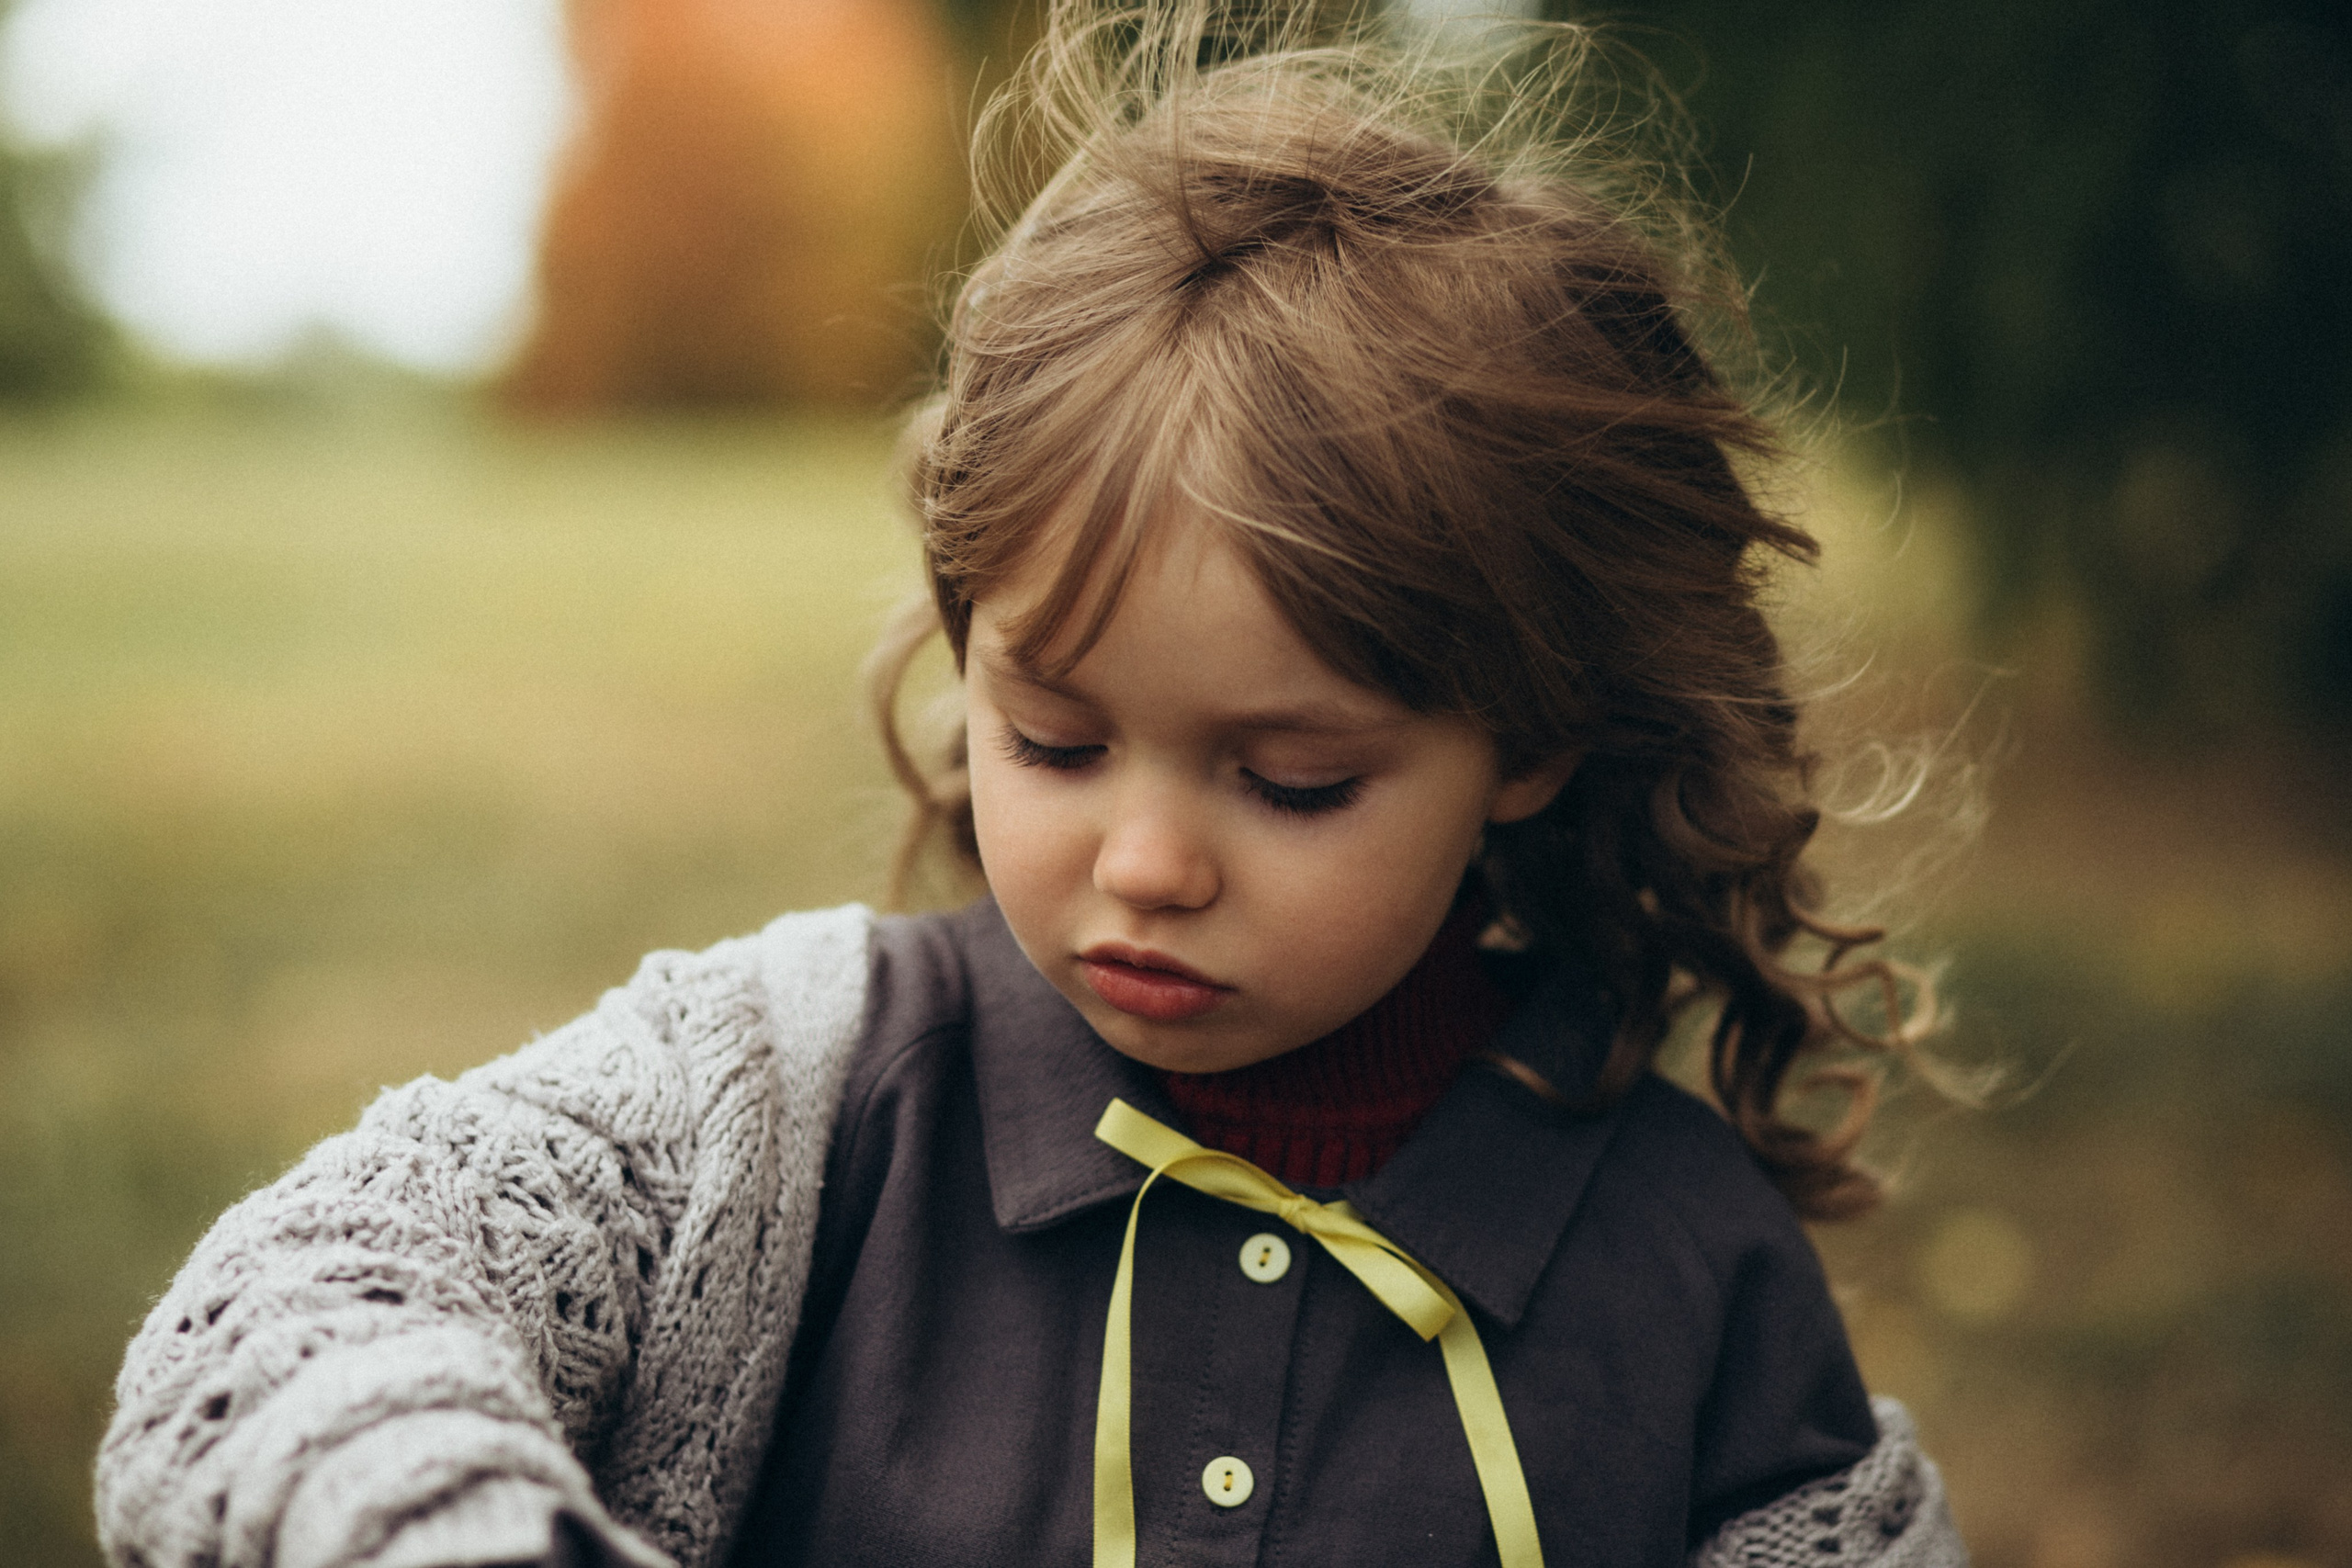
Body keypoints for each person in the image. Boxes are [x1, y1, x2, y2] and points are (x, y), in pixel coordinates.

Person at [94, 4, 1969, 1565]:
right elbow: (298, 1300)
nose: (1138, 863)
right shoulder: (782, 1090)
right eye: (1054, 741)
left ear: (1531, 740)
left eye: (1294, 776)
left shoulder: (1683, 1264)